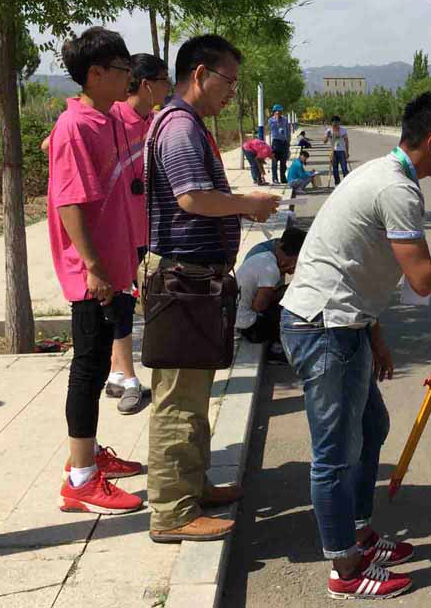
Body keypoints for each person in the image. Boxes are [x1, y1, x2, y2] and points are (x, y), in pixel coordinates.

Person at [280, 92, 431, 600]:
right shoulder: (396, 189)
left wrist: (374, 333)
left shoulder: (392, 175)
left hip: (346, 322)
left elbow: (363, 266)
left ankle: (359, 533)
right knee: (335, 454)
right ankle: (343, 568)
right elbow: (423, 279)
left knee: (371, 426)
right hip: (323, 327)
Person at [145, 34, 278, 544]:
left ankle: (192, 485)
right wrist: (246, 202)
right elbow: (192, 198)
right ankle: (173, 511)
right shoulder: (179, 127)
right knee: (178, 398)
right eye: (229, 81)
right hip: (181, 281)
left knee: (194, 394)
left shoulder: (187, 124)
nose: (232, 93)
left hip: (195, 281)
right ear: (200, 74)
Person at [47, 26, 144, 515]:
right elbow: (69, 204)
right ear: (96, 74)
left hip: (117, 267)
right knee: (88, 370)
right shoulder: (75, 128)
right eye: (123, 69)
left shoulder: (108, 120)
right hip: (94, 275)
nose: (130, 77)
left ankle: (85, 458)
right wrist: (93, 267)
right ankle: (81, 479)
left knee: (99, 361)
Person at [102, 53, 170, 415]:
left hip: (144, 227)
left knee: (127, 298)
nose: (168, 87)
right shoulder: (110, 118)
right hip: (115, 230)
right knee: (123, 302)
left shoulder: (155, 121)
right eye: (164, 80)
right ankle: (129, 378)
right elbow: (52, 145)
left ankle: (116, 372)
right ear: (146, 84)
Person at [236, 226, 306, 361]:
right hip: (249, 327)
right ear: (292, 258)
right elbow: (259, 307)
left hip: (236, 319)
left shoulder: (264, 256)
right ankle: (277, 350)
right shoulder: (270, 269)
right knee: (290, 311)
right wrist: (285, 292)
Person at [324, 114, 350, 184]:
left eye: (337, 123)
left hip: (342, 151)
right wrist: (327, 136)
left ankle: (346, 182)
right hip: (333, 152)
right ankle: (337, 183)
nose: (335, 125)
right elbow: (324, 142)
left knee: (344, 168)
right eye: (334, 123)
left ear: (339, 123)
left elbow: (346, 141)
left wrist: (347, 152)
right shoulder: (329, 131)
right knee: (335, 169)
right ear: (332, 123)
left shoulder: (343, 130)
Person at [268, 105, 291, 184]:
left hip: (284, 142)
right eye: (278, 111)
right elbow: (273, 129)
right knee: (274, 162)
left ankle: (283, 178)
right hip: (276, 143)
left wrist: (288, 143)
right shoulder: (271, 120)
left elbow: (288, 131)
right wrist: (277, 119)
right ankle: (275, 178)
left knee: (283, 163)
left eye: (281, 111)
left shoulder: (285, 119)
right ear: (274, 112)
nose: (280, 113)